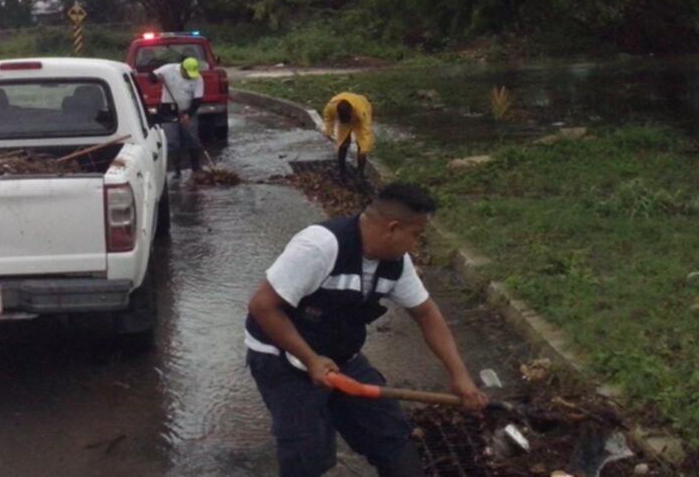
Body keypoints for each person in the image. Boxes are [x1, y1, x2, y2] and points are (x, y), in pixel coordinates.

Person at [245, 183, 488, 477]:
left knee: (391, 437)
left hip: (341, 356)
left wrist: (460, 376)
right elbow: (262, 306)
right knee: (308, 454)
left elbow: (426, 314)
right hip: (283, 358)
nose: (416, 244)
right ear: (393, 228)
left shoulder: (397, 265)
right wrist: (311, 360)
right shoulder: (321, 247)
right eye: (416, 235)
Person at [150, 57, 204, 177]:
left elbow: (198, 99)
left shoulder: (198, 78)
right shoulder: (167, 69)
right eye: (187, 74)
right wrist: (156, 78)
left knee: (192, 139)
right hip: (169, 110)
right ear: (182, 68)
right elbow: (151, 76)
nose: (190, 76)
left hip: (188, 109)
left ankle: (196, 168)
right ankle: (176, 170)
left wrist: (188, 114)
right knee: (172, 141)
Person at [323, 92, 374, 177]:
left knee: (361, 145)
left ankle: (360, 172)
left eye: (347, 119)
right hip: (346, 119)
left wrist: (364, 148)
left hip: (359, 120)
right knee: (343, 142)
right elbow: (328, 118)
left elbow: (366, 130)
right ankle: (342, 169)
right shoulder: (331, 107)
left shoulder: (361, 111)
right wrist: (328, 131)